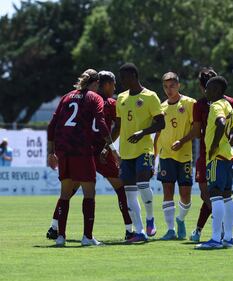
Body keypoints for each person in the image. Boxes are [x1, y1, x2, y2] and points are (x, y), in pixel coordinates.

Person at [46, 71, 134, 241]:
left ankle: (55, 228)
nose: (114, 88)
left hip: (70, 150)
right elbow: (112, 126)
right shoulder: (105, 101)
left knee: (67, 191)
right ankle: (128, 229)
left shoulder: (68, 97)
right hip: (94, 151)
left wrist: (52, 151)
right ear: (104, 84)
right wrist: (111, 149)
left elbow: (54, 124)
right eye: (113, 84)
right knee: (117, 188)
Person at [189, 68, 233, 242]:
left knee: (215, 194)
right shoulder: (228, 104)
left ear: (217, 91)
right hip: (227, 157)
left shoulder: (217, 105)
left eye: (209, 89)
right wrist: (229, 146)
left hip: (216, 157)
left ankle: (215, 239)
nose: (206, 92)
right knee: (227, 196)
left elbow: (221, 122)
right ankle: (228, 238)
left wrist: (215, 146)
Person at [115, 63, 165, 242]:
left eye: (124, 77)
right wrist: (106, 146)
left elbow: (161, 123)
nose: (122, 81)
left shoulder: (150, 97)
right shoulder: (121, 98)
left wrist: (142, 132)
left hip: (144, 149)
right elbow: (118, 126)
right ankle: (139, 231)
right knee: (129, 193)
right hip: (126, 153)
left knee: (143, 184)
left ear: (134, 76)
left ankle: (150, 217)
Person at [154, 72, 196, 240]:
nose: (168, 90)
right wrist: (154, 154)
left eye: (172, 86)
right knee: (168, 192)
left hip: (184, 155)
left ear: (178, 85)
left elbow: (196, 129)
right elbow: (157, 132)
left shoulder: (189, 103)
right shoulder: (161, 107)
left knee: (185, 195)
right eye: (165, 87)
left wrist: (182, 141)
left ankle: (180, 219)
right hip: (166, 155)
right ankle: (170, 229)